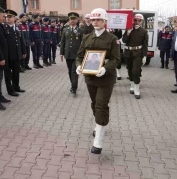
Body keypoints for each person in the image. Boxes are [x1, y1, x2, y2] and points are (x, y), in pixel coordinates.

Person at [76, 8, 120, 154]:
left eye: (98, 19)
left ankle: (98, 141)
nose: (95, 22)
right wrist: (78, 66)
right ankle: (98, 125)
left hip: (106, 78)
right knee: (94, 104)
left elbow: (116, 59)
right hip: (89, 77)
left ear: (104, 21)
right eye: (93, 19)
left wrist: (105, 68)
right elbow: (80, 56)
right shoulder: (87, 37)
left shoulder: (112, 39)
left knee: (101, 105)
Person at [122, 14, 148, 99]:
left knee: (135, 71)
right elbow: (124, 40)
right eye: (135, 20)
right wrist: (128, 32)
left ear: (141, 22)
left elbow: (145, 45)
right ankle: (132, 85)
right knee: (129, 69)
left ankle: (137, 89)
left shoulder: (143, 31)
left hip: (138, 53)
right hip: (128, 53)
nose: (137, 22)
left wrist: (144, 56)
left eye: (139, 20)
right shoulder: (128, 29)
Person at [3, 9, 26, 96]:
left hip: (17, 54)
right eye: (7, 17)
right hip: (8, 55)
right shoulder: (4, 28)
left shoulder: (17, 27)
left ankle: (16, 86)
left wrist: (23, 51)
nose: (8, 19)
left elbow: (21, 40)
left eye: (10, 17)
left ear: (14, 18)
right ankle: (10, 90)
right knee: (8, 74)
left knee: (16, 72)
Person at [60, 12, 84, 94]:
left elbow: (83, 43)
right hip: (68, 54)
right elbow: (62, 42)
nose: (72, 21)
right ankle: (72, 84)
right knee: (70, 70)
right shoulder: (65, 30)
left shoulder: (80, 30)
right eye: (71, 19)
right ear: (69, 20)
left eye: (74, 19)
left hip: (76, 54)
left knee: (74, 71)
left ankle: (74, 87)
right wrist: (61, 53)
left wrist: (82, 54)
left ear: (77, 20)